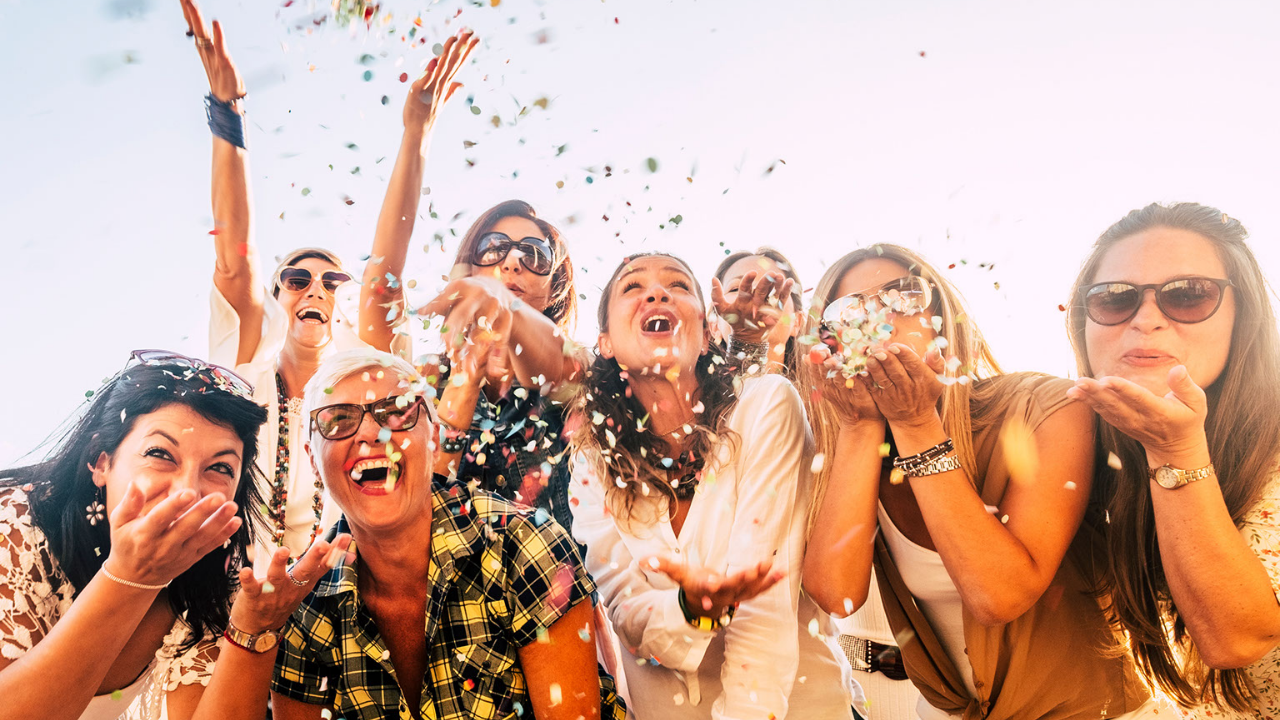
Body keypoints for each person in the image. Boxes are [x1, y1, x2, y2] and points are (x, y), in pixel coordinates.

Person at [800, 244, 1157, 719]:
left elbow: (1000, 595)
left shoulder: (1046, 405)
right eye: (849, 310)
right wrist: (859, 428)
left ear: (941, 317)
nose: (878, 317)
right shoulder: (860, 440)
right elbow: (835, 596)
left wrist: (916, 425)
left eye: (901, 295)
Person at [190, 348, 625, 720]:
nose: (369, 433)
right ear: (312, 455)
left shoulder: (525, 543)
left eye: (397, 412)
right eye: (338, 420)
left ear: (433, 436)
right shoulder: (304, 602)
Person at [180, 0, 417, 563]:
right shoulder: (242, 366)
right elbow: (235, 256)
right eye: (297, 277)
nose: (315, 288)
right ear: (277, 295)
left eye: (332, 280)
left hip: (342, 601)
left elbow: (386, 275)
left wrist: (417, 131)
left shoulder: (367, 374)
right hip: (233, 601)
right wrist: (227, 114)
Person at [570, 252, 854, 720]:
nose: (657, 293)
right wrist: (691, 609)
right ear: (604, 343)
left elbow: (764, 613)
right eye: (631, 287)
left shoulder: (766, 405)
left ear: (706, 336)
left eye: (679, 285)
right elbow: (626, 611)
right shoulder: (591, 459)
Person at [1064, 202, 1280, 717]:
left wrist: (1174, 452)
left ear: (1242, 315)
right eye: (1115, 299)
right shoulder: (1071, 445)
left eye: (1187, 295)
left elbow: (1237, 641)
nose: (1146, 320)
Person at [0, 351, 266, 719]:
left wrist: (255, 632)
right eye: (160, 453)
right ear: (100, 460)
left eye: (219, 468)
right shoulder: (13, 526)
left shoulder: (219, 576)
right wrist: (130, 577)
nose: (186, 492)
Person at [711, 246, 804, 375]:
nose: (756, 292)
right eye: (735, 288)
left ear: (797, 322)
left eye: (771, 286)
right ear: (714, 326)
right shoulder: (697, 393)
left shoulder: (826, 390)